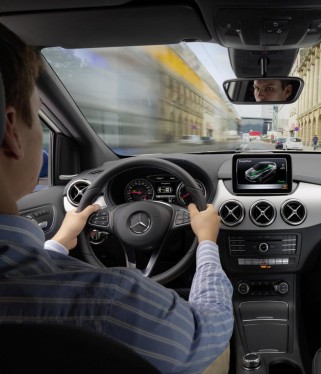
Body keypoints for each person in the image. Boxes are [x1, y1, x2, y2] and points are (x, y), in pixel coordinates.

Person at [0, 23, 233, 373]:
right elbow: (209, 327)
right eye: (40, 120)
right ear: (11, 133)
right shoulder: (109, 304)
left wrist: (61, 241)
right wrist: (206, 243)